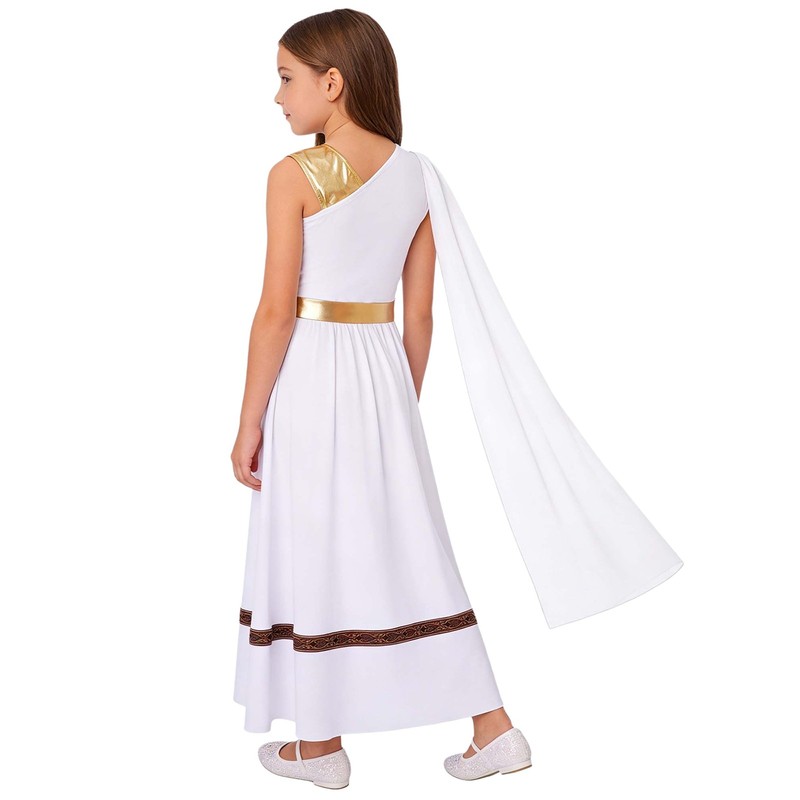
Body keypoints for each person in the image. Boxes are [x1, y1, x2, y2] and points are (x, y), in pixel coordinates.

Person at [231, 9, 682, 791]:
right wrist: (396, 407)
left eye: (286, 78)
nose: (277, 96)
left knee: (316, 544)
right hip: (383, 375)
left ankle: (324, 744)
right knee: (405, 548)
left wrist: (247, 422)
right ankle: (477, 729)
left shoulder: (295, 176)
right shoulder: (418, 175)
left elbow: (276, 312)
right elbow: (421, 316)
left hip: (309, 376)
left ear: (332, 83)